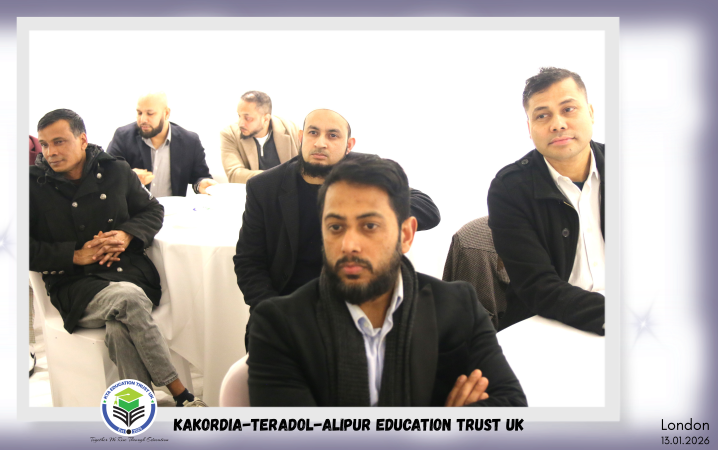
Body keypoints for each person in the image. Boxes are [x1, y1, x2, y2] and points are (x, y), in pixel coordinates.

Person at [247, 154, 526, 406]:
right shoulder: (278, 325)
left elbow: (510, 407)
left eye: (369, 226)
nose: (348, 245)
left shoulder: (457, 307)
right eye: (335, 227)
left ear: (406, 235)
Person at [30, 109, 205, 406]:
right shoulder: (32, 185)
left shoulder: (115, 170)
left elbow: (152, 210)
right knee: (128, 299)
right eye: (45, 144)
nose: (50, 152)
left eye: (59, 142)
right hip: (75, 287)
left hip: (129, 272)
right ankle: (181, 394)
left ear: (82, 140)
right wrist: (74, 256)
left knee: (120, 326)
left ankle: (139, 411)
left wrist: (127, 234)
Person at [234, 109, 441, 346]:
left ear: (348, 145)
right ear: (301, 137)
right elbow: (249, 261)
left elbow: (428, 209)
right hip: (287, 305)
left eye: (333, 135)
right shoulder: (265, 187)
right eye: (313, 133)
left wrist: (372, 215)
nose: (320, 143)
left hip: (359, 304)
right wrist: (275, 313)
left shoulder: (366, 172)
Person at [487, 67, 605, 335]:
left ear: (591, 113)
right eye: (542, 115)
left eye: (568, 109)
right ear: (529, 128)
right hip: (548, 322)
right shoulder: (510, 189)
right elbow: (538, 287)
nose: (558, 124)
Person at [106, 92, 217, 197]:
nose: (143, 119)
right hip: (135, 209)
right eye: (139, 113)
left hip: (174, 208)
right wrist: (128, 178)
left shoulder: (190, 141)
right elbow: (105, 174)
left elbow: (200, 177)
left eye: (150, 113)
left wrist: (201, 184)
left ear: (166, 113)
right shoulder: (123, 137)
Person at [220, 90, 300, 183]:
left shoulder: (291, 129)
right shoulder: (230, 134)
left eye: (247, 118)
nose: (240, 123)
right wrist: (276, 177)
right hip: (250, 191)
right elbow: (234, 175)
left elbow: (304, 168)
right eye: (239, 116)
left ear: (266, 119)